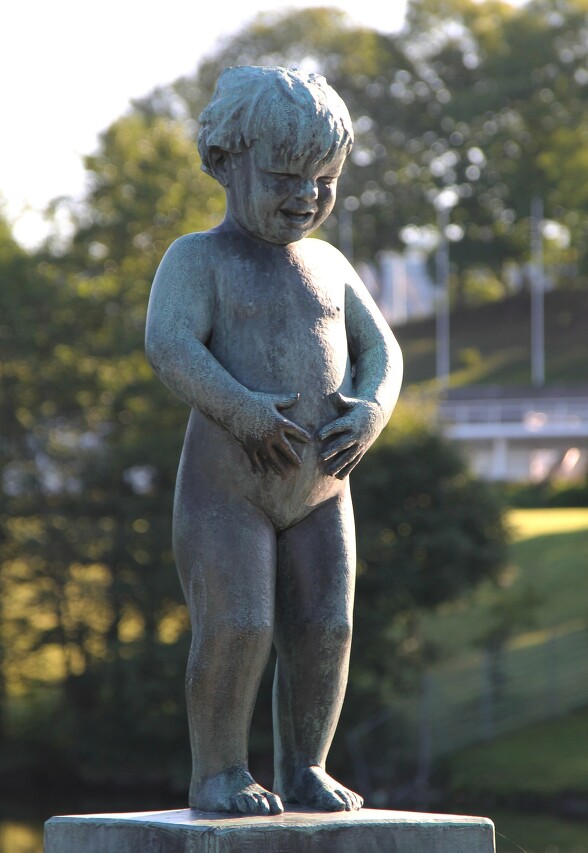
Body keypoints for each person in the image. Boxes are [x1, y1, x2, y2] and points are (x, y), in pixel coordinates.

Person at [145, 65, 403, 816]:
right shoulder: (198, 259)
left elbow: (382, 349)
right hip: (230, 489)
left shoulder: (329, 264)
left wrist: (374, 409)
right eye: (287, 175)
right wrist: (244, 410)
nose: (307, 196)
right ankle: (219, 772)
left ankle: (306, 766)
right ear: (227, 161)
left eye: (324, 181)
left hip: (323, 485)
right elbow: (170, 345)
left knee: (327, 624)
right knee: (240, 623)